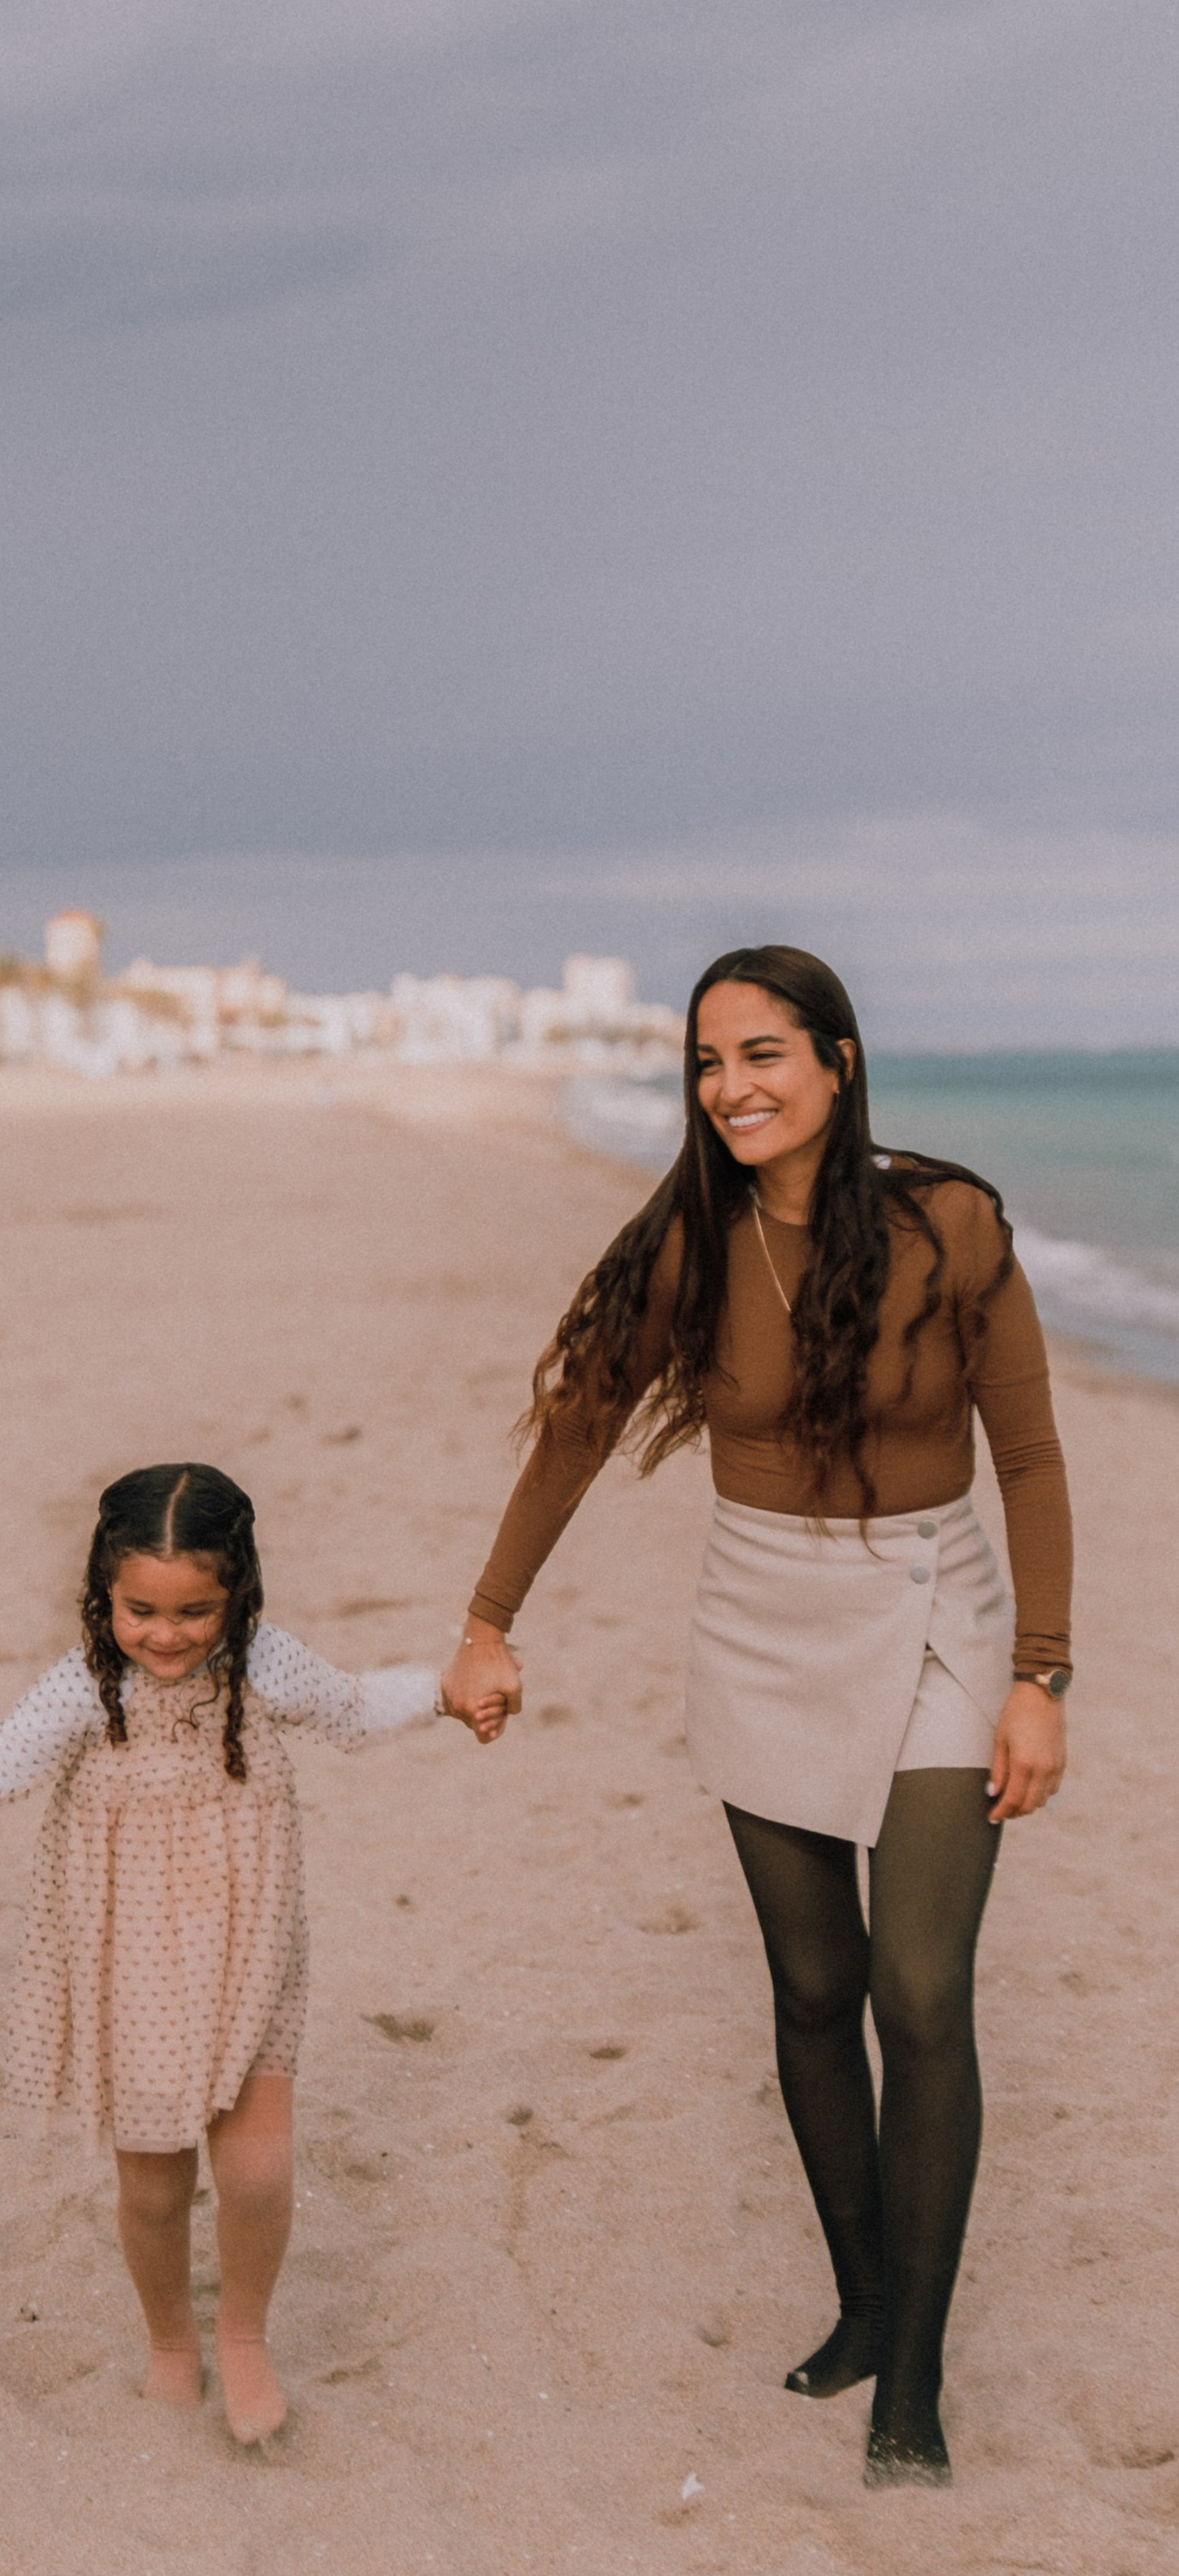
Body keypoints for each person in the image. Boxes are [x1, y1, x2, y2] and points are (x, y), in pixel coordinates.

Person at [442, 945, 1071, 2486]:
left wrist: (1040, 1677)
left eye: (764, 1054)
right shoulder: (690, 1246)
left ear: (839, 1062)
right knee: (811, 1985)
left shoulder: (952, 1223)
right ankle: (865, 2303)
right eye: (709, 1062)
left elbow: (1032, 1458)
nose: (732, 1087)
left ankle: (912, 2380)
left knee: (918, 1990)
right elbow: (578, 1432)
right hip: (761, 1617)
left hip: (935, 1609)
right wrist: (488, 1619)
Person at [0, 1463, 476, 2444]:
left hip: (249, 1949)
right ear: (104, 1595)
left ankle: (243, 2335)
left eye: (195, 1611)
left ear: (238, 1597)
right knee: (156, 2186)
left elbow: (350, 1707)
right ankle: (171, 2340)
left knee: (256, 2171)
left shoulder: (262, 1668)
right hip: (131, 1968)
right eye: (141, 1611)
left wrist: (444, 1692)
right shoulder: (86, 1687)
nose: (166, 1635)